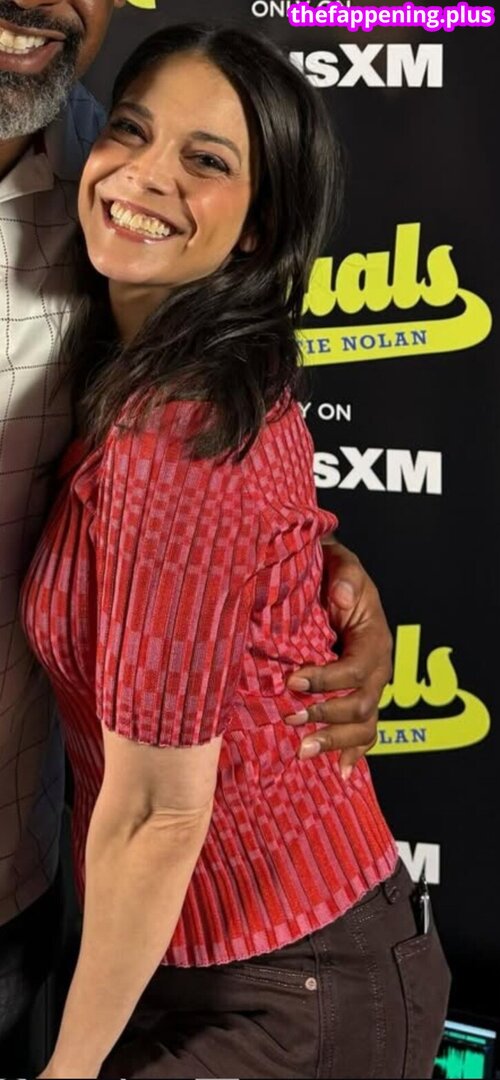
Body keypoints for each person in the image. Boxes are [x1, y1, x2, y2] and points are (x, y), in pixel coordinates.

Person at [21, 24, 451, 1080]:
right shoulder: (149, 367)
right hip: (205, 962)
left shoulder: (178, 426)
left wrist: (67, 1074)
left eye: (204, 160)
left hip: (292, 993)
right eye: (130, 131)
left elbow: (160, 814)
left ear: (259, 226)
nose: (141, 175)